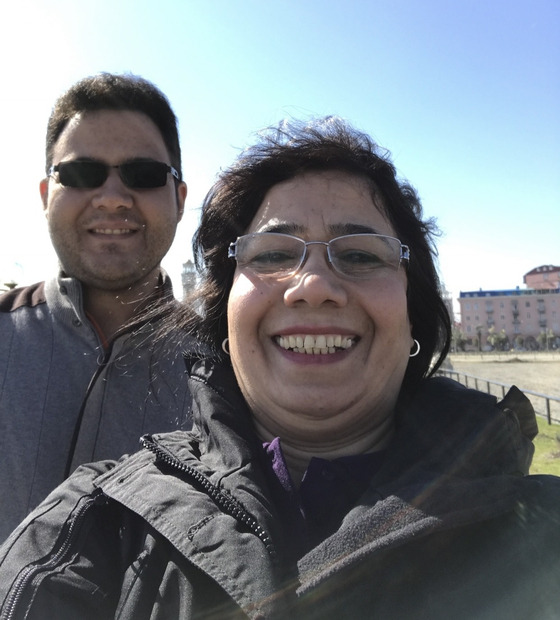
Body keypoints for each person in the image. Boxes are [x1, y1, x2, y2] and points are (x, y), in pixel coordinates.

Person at [0, 117, 559, 619]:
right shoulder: (88, 524)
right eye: (271, 254)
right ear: (224, 317)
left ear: (414, 312)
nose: (314, 286)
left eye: (362, 254)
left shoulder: (540, 533)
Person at [0, 72, 198, 543]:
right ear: (48, 196)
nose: (111, 198)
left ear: (180, 198)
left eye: (144, 175)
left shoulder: (231, 366)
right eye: (82, 173)